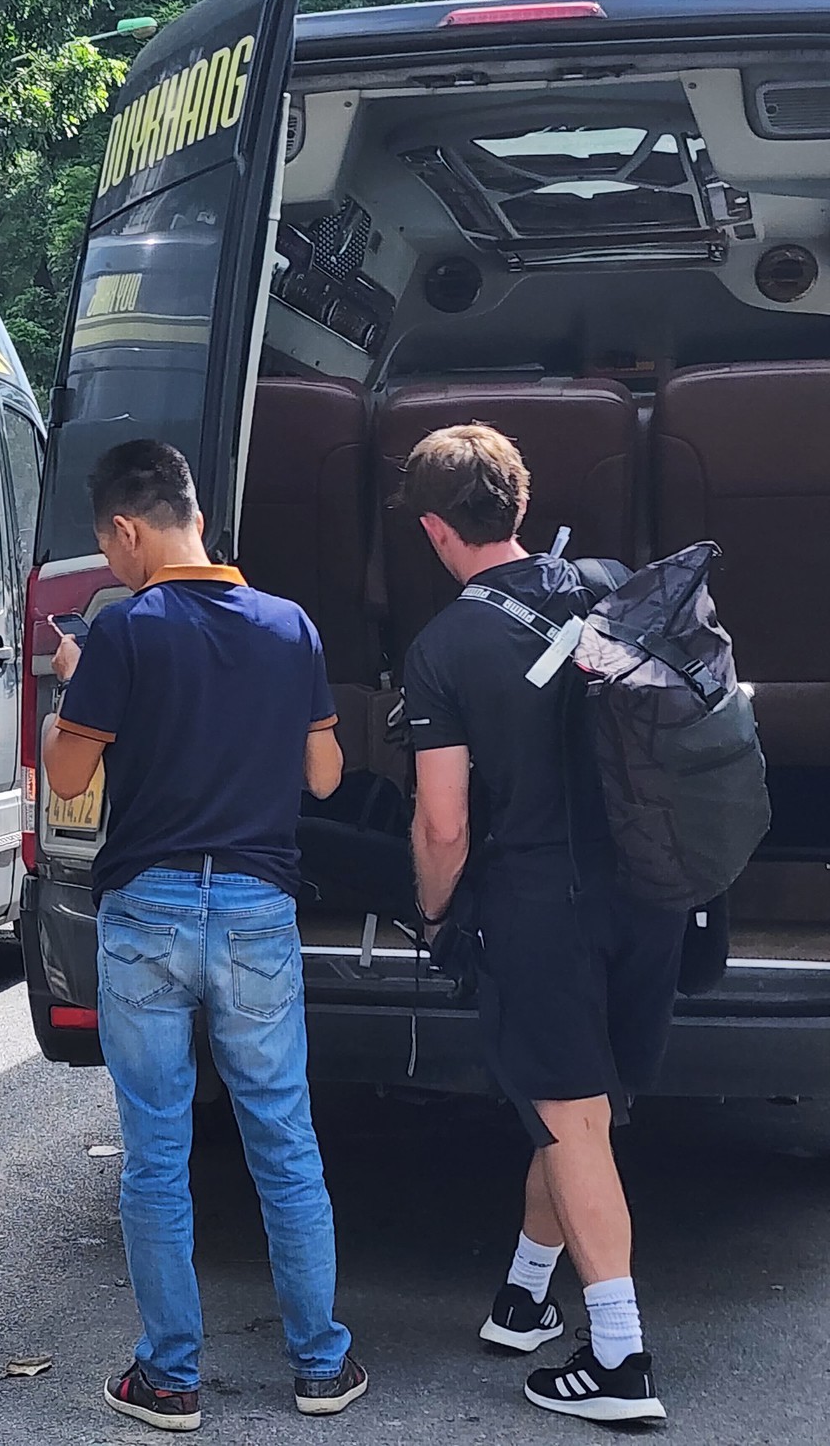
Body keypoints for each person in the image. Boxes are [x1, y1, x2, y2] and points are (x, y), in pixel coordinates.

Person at [43, 438, 365, 1433]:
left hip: (146, 910)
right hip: (256, 911)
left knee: (155, 1151)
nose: (113, 564)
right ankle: (320, 1365)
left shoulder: (123, 632)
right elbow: (324, 778)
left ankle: (169, 1378)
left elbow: (67, 777)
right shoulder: (289, 624)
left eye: (110, 547)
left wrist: (77, 683)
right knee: (284, 1138)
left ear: (126, 529)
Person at [399, 424, 683, 1424]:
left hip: (539, 907)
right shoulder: (612, 585)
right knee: (578, 1112)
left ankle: (618, 1360)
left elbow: (442, 824)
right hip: (649, 894)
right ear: (519, 505)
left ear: (435, 529)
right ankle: (525, 1297)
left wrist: (433, 912)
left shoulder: (442, 648)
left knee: (570, 1119)